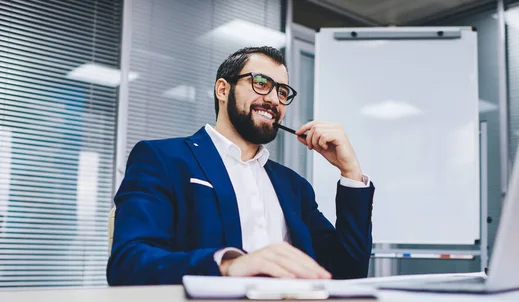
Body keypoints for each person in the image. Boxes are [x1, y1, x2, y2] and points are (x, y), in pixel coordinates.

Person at [107, 46, 374, 285]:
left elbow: (347, 274)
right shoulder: (163, 159)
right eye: (260, 83)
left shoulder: (294, 187)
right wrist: (228, 265)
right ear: (223, 90)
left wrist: (350, 173)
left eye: (282, 92)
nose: (273, 99)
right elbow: (128, 263)